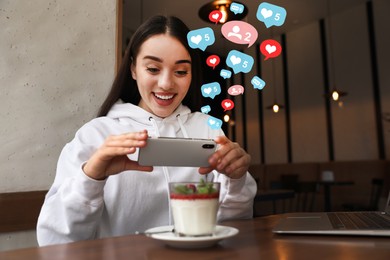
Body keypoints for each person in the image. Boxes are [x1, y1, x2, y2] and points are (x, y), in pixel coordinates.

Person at [37, 15, 257, 246]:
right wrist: (91, 176)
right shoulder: (96, 135)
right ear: (133, 69)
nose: (166, 83)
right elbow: (54, 241)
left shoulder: (208, 129)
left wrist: (237, 180)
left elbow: (233, 228)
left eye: (181, 72)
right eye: (153, 68)